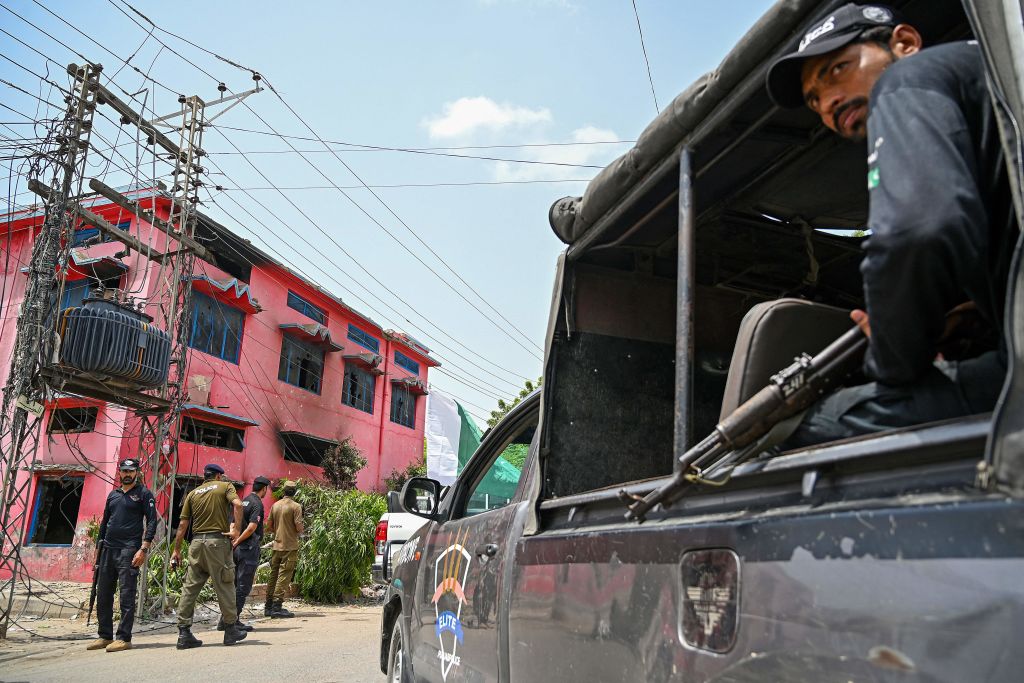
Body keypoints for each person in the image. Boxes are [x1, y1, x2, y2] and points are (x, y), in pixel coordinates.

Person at [764, 3, 1017, 447]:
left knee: (799, 430)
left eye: (837, 69)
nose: (827, 102)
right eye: (814, 101)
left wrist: (895, 359)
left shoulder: (905, 80)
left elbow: (915, 232)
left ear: (904, 44)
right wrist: (973, 315)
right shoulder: (995, 79)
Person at [170, 463, 247, 648]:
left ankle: (184, 633)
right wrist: (236, 530)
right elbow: (237, 504)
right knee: (225, 584)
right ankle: (230, 630)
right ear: (219, 476)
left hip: (196, 544)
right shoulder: (225, 486)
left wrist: (176, 550)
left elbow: (182, 525)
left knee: (190, 587)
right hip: (217, 543)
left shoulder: (193, 493)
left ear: (205, 476)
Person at [87, 458, 156, 653]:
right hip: (108, 549)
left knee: (126, 594)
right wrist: (98, 551)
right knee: (103, 594)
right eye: (124, 471)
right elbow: (104, 523)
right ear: (120, 473)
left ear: (137, 473)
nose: (127, 474)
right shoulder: (113, 495)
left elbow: (152, 521)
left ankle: (124, 638)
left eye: (130, 471)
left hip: (129, 550)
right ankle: (105, 636)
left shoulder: (143, 494)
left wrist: (143, 548)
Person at [224, 475, 271, 632]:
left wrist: (234, 540)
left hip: (237, 551)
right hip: (248, 549)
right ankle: (232, 622)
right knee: (243, 587)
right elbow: (251, 528)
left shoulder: (243, 501)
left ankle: (225, 619)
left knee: (234, 585)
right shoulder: (257, 504)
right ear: (264, 489)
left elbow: (232, 523)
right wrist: (238, 541)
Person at [264, 480, 303, 619]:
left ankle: (268, 606)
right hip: (289, 546)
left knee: (273, 575)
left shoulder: (275, 505)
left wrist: (279, 531)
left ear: (283, 491)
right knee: (284, 575)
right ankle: (277, 606)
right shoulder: (296, 506)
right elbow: (299, 527)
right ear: (295, 492)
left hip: (276, 545)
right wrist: (299, 531)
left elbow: (268, 526)